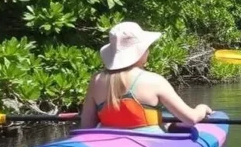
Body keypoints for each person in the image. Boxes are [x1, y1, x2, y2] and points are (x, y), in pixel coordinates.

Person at [80, 22, 213, 132]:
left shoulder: (96, 80)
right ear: (141, 52)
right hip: (149, 145)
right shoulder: (154, 81)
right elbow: (190, 119)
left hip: (106, 143)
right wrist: (201, 108)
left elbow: (86, 126)